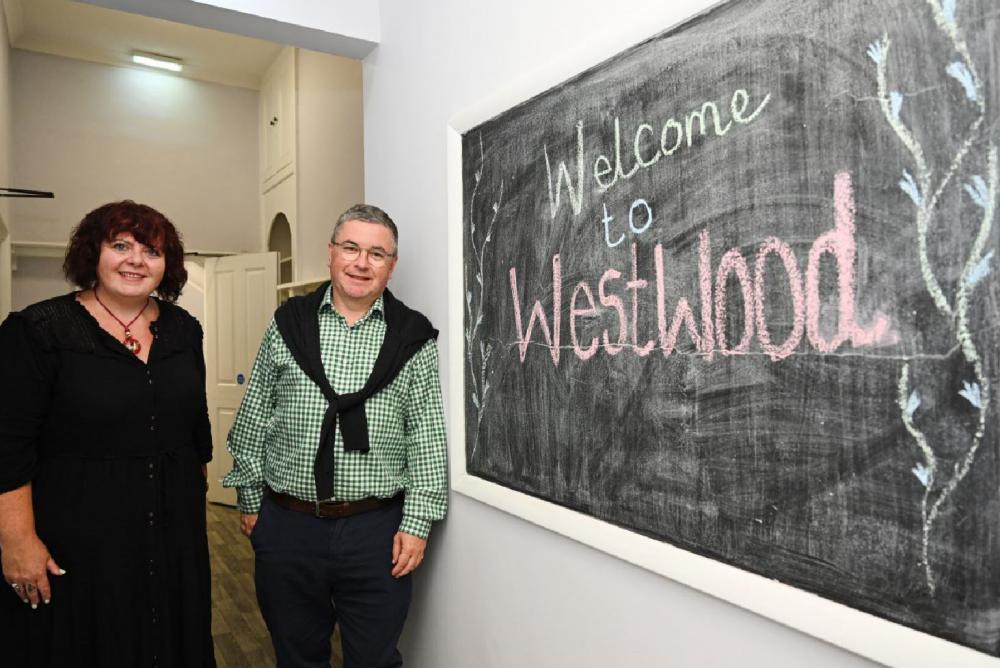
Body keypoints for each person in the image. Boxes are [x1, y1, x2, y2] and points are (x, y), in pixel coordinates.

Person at [224, 203, 447, 668]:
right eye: (351, 248)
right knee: (297, 656)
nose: (361, 263)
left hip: (376, 532)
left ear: (391, 265)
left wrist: (417, 522)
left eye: (376, 253)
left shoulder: (413, 337)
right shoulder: (288, 325)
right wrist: (250, 501)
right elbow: (253, 415)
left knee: (374, 659)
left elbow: (425, 435)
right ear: (330, 253)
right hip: (288, 525)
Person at [0, 201, 216, 667]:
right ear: (92, 254)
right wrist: (16, 541)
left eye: (151, 250)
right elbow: (7, 446)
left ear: (167, 265)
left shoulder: (184, 330)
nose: (135, 260)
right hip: (79, 538)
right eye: (120, 245)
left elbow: (194, 427)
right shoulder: (37, 331)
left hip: (171, 534)